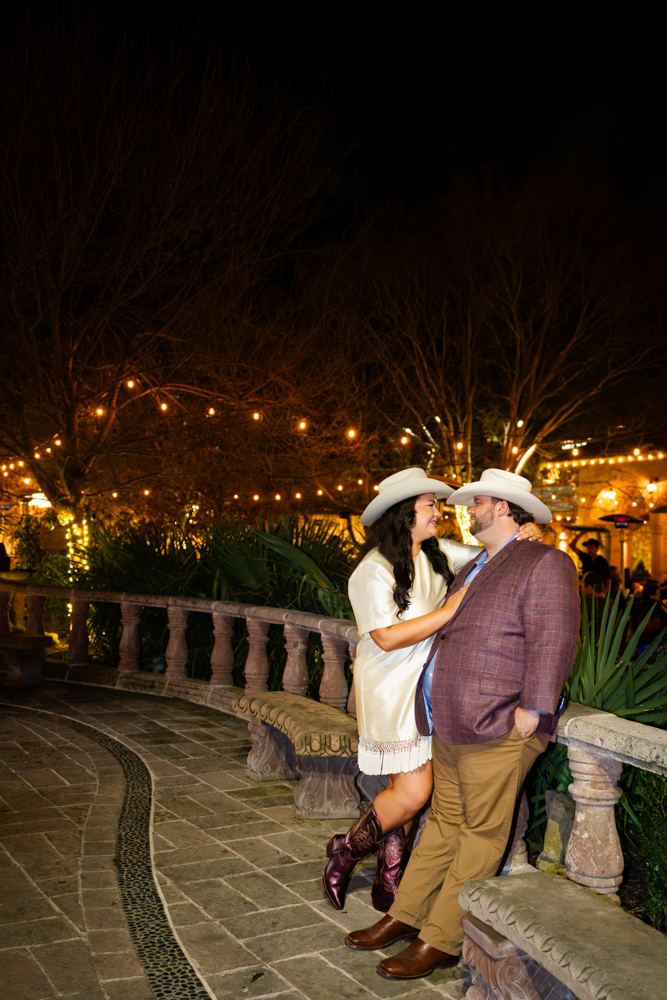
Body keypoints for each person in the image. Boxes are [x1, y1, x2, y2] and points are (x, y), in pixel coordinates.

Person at [345, 469, 580, 981]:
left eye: (477, 502)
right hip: (449, 721)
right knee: (442, 828)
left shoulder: (545, 562)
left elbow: (554, 639)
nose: (466, 509)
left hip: (500, 725)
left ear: (502, 508)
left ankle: (442, 939)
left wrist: (535, 707)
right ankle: (405, 916)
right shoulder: (473, 562)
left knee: (479, 837)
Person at [321, 468, 542, 913]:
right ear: (406, 516)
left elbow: (493, 550)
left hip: (425, 683)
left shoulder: (437, 553)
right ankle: (345, 852)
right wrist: (453, 608)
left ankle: (390, 877)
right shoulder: (372, 570)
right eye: (429, 506)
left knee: (409, 784)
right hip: (389, 687)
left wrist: (528, 531)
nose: (438, 512)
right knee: (416, 792)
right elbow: (384, 636)